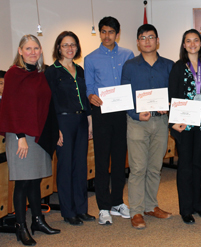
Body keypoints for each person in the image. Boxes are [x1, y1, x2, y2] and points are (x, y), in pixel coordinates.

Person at [0, 34, 60, 245]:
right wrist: (20, 137)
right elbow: (10, 108)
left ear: (41, 50)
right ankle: (20, 226)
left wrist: (55, 130)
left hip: (37, 134)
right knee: (23, 183)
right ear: (20, 51)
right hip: (20, 136)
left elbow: (47, 105)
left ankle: (37, 220)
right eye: (28, 49)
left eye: (36, 48)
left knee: (35, 180)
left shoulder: (40, 74)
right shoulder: (13, 74)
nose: (33, 52)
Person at [121, 24, 173, 229]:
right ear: (137, 42)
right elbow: (124, 96)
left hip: (160, 122)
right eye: (143, 38)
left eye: (151, 37)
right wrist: (135, 113)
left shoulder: (169, 65)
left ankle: (151, 206)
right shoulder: (130, 66)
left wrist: (167, 106)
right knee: (137, 168)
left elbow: (174, 93)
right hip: (137, 123)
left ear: (157, 40)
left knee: (154, 167)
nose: (147, 41)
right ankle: (136, 211)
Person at [84, 16, 134, 225]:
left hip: (122, 113)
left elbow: (132, 81)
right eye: (103, 31)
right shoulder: (90, 58)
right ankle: (103, 207)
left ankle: (117, 202)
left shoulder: (128, 54)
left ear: (117, 34)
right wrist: (91, 96)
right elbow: (89, 87)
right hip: (102, 113)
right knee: (103, 160)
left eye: (111, 32)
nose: (107, 36)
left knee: (120, 159)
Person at [45, 31, 95, 225]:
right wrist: (55, 128)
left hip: (82, 121)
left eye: (73, 44)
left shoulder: (80, 70)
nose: (69, 48)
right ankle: (68, 211)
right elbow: (49, 102)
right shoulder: (52, 71)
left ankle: (82, 209)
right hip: (62, 123)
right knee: (65, 166)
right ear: (58, 48)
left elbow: (86, 97)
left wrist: (90, 121)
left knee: (81, 166)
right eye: (65, 45)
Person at [169, 29, 201, 224]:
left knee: (197, 165)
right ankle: (185, 209)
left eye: (196, 40)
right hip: (184, 124)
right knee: (185, 166)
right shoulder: (178, 67)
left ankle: (198, 205)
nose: (192, 44)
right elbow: (172, 96)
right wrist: (173, 123)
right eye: (188, 41)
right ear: (184, 45)